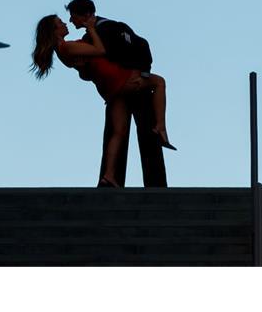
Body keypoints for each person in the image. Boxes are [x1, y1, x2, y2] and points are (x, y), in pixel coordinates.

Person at [31, 13, 174, 188]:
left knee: (118, 132)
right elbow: (100, 50)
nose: (65, 24)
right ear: (53, 31)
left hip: (109, 87)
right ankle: (160, 126)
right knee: (159, 82)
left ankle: (109, 175)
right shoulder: (66, 48)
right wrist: (91, 28)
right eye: (60, 23)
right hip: (119, 78)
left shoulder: (65, 49)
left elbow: (84, 72)